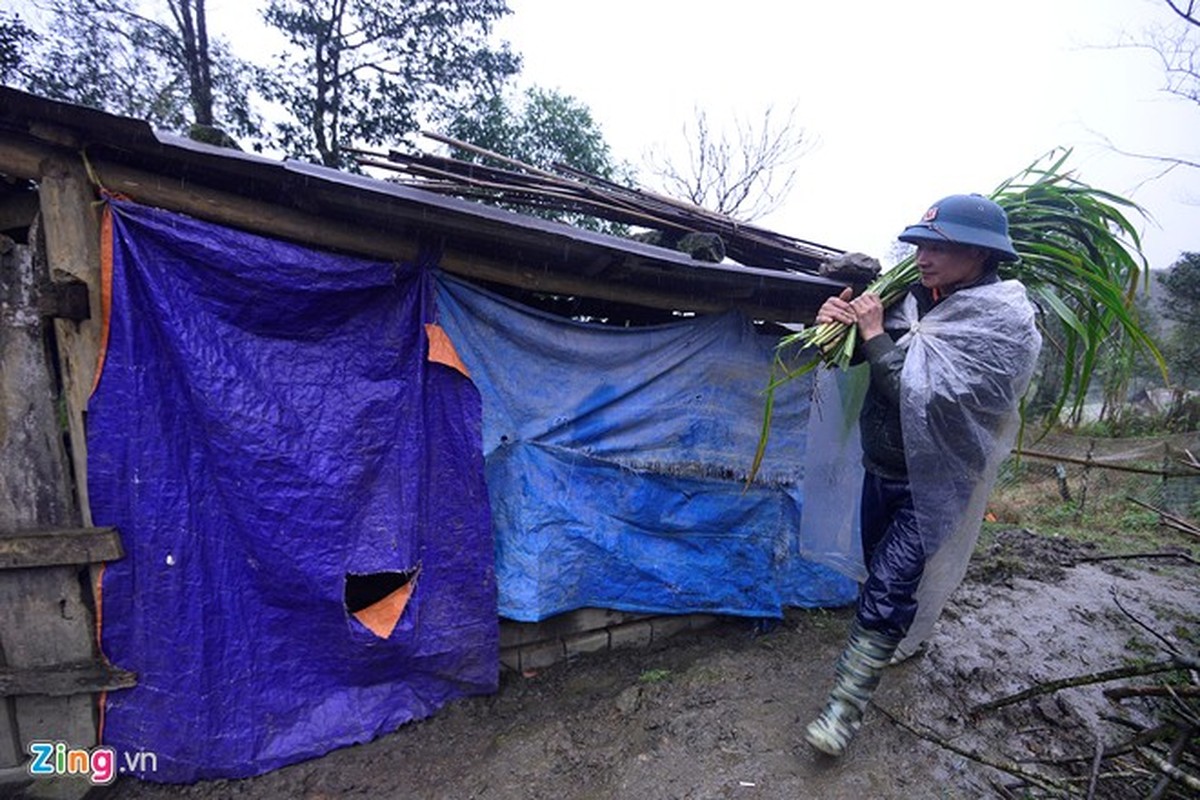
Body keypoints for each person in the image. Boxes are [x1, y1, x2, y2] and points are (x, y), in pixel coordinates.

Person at [802, 194, 1043, 757]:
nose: (923, 255)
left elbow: (928, 397)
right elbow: (858, 360)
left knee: (889, 581)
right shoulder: (908, 297)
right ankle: (896, 638)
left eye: (939, 246)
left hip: (937, 483)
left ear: (980, 254)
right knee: (877, 574)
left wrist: (873, 336)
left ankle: (842, 710)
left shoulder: (1003, 324)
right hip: (880, 465)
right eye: (920, 244)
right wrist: (836, 329)